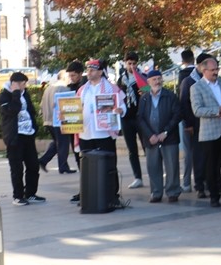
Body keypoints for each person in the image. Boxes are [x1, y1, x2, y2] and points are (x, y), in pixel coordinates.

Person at [73, 58, 125, 204]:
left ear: (100, 72)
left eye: (92, 69)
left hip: (104, 133)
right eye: (88, 69)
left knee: (108, 165)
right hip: (86, 133)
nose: (88, 72)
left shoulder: (111, 88)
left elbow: (121, 104)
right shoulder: (82, 90)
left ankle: (112, 196)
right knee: (86, 166)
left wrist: (121, 110)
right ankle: (88, 195)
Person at [191, 56, 221, 208]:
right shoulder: (196, 87)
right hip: (210, 132)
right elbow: (197, 109)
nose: (215, 72)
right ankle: (214, 196)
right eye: (212, 70)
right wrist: (216, 111)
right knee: (212, 167)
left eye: (217, 69)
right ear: (203, 70)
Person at [0, 71, 44, 206]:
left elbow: (31, 110)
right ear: (15, 84)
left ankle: (30, 193)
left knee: (33, 165)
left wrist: (34, 127)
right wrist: (16, 93)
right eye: (22, 84)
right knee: (17, 167)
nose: (25, 86)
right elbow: (13, 110)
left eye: (25, 84)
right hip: (14, 136)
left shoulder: (26, 93)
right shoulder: (4, 96)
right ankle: (18, 196)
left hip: (28, 134)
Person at [137, 69, 182, 203]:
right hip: (151, 139)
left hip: (169, 138)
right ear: (149, 82)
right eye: (154, 79)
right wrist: (150, 135)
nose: (157, 82)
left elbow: (177, 115)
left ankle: (173, 191)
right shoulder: (144, 98)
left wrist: (166, 132)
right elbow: (140, 118)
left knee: (172, 166)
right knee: (153, 167)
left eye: (159, 79)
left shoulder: (170, 96)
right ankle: (156, 192)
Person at [38, 62, 80, 174]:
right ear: (65, 76)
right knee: (63, 144)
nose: (70, 79)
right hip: (58, 120)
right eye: (69, 76)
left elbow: (41, 105)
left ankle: (43, 160)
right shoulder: (63, 88)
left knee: (57, 142)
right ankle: (63, 166)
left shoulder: (49, 88)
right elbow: (66, 105)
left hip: (47, 120)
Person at [179, 53, 211, 197]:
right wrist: (189, 124)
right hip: (195, 124)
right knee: (197, 155)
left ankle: (210, 181)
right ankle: (199, 185)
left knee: (210, 155)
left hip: (211, 123)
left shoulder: (213, 80)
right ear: (199, 66)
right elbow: (184, 104)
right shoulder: (189, 81)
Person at [116, 53, 145, 189]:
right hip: (126, 118)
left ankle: (154, 174)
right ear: (125, 63)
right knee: (132, 149)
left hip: (140, 117)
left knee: (147, 147)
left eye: (134, 63)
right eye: (129, 63)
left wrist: (144, 91)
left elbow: (148, 94)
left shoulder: (142, 78)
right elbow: (117, 97)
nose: (132, 66)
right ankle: (137, 177)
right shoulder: (121, 80)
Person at [176, 49, 196, 192]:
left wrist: (185, 121)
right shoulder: (200, 76)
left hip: (187, 119)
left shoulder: (183, 76)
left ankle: (187, 182)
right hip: (200, 118)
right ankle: (203, 181)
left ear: (183, 61)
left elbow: (182, 100)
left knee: (188, 152)